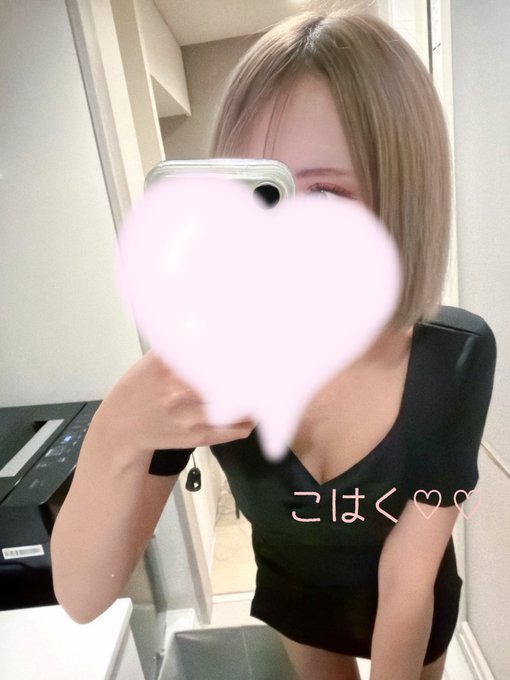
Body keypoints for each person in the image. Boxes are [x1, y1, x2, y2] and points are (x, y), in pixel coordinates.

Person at [50, 9, 497, 680]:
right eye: (259, 192)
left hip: (414, 612)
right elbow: (84, 599)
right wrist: (117, 429)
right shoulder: (201, 368)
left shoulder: (453, 356)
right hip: (298, 609)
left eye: (322, 196)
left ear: (404, 199)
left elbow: (409, 573)